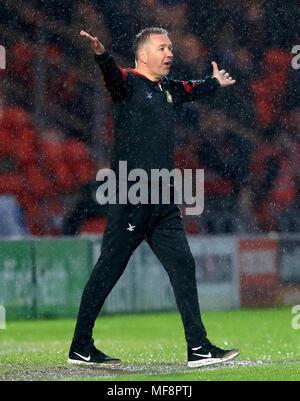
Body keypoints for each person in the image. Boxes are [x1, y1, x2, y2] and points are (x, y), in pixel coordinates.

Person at [68, 27, 239, 368]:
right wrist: (101, 54)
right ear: (143, 55)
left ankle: (198, 347)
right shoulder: (128, 82)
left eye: (171, 48)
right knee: (108, 270)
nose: (170, 53)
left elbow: (190, 89)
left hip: (162, 200)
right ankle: (81, 346)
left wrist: (213, 82)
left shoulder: (165, 88)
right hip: (131, 196)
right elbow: (111, 76)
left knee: (183, 266)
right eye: (163, 48)